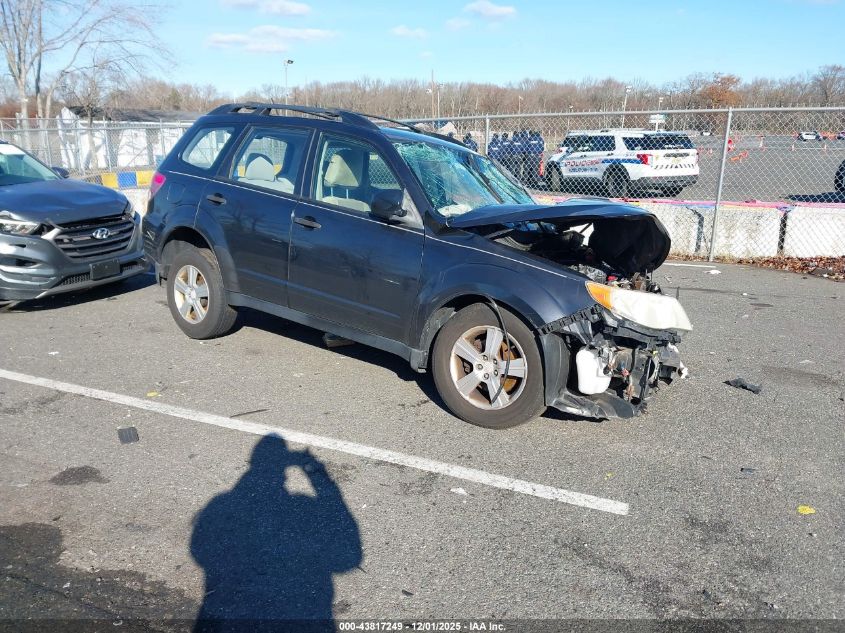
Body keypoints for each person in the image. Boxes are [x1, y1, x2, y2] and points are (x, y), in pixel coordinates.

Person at [191, 435, 362, 631]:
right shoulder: (301, 506)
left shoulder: (223, 503)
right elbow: (348, 558)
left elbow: (200, 550)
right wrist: (312, 468)